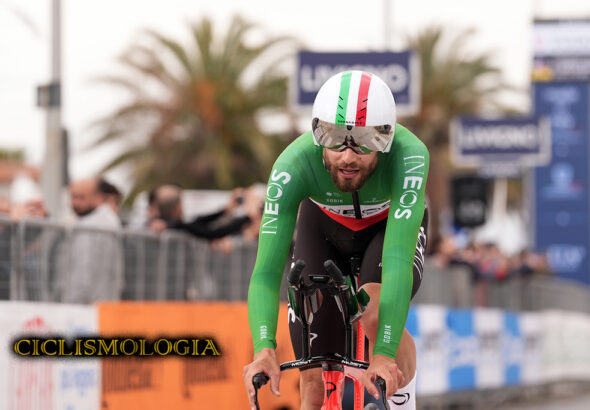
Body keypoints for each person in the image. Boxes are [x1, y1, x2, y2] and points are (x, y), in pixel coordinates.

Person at [243, 71, 429, 409]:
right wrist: (264, 348)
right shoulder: (292, 164)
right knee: (313, 379)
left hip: (387, 229)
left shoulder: (410, 155)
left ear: (385, 141)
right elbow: (266, 273)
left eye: (363, 142)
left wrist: (385, 355)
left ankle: (403, 401)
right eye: (334, 140)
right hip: (324, 226)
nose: (347, 157)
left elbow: (399, 258)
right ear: (317, 134)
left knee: (372, 307)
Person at [61, 177, 123, 303]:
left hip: (88, 302)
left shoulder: (96, 224)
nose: (76, 203)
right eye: (74, 197)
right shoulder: (92, 221)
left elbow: (84, 269)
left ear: (99, 198)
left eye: (82, 197)